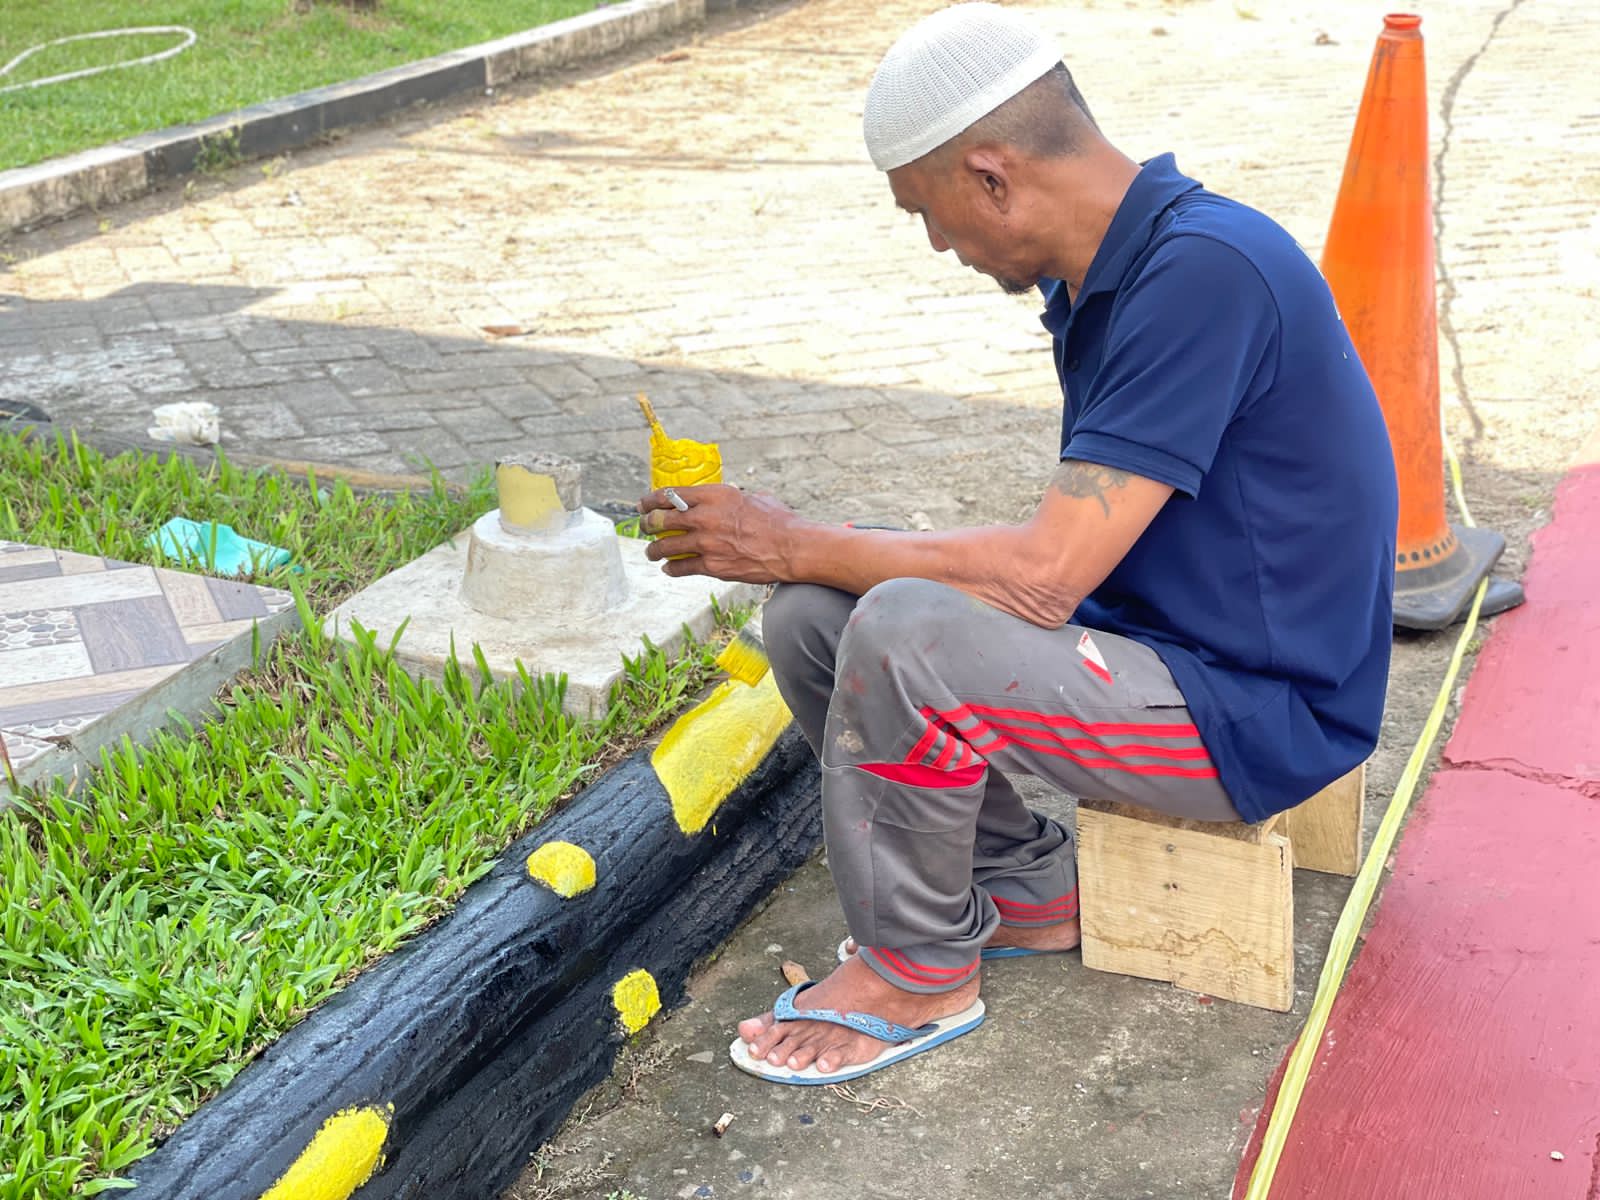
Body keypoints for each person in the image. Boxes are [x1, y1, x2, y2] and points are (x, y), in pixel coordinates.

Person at [638, 2, 1397, 1085]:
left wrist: (795, 536)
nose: (939, 244)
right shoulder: (1111, 274)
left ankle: (917, 972)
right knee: (815, 616)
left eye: (929, 211)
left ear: (990, 176)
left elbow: (1047, 572)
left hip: (1257, 710)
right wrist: (799, 557)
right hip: (1164, 648)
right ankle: (1030, 894)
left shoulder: (1204, 274)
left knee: (897, 626)